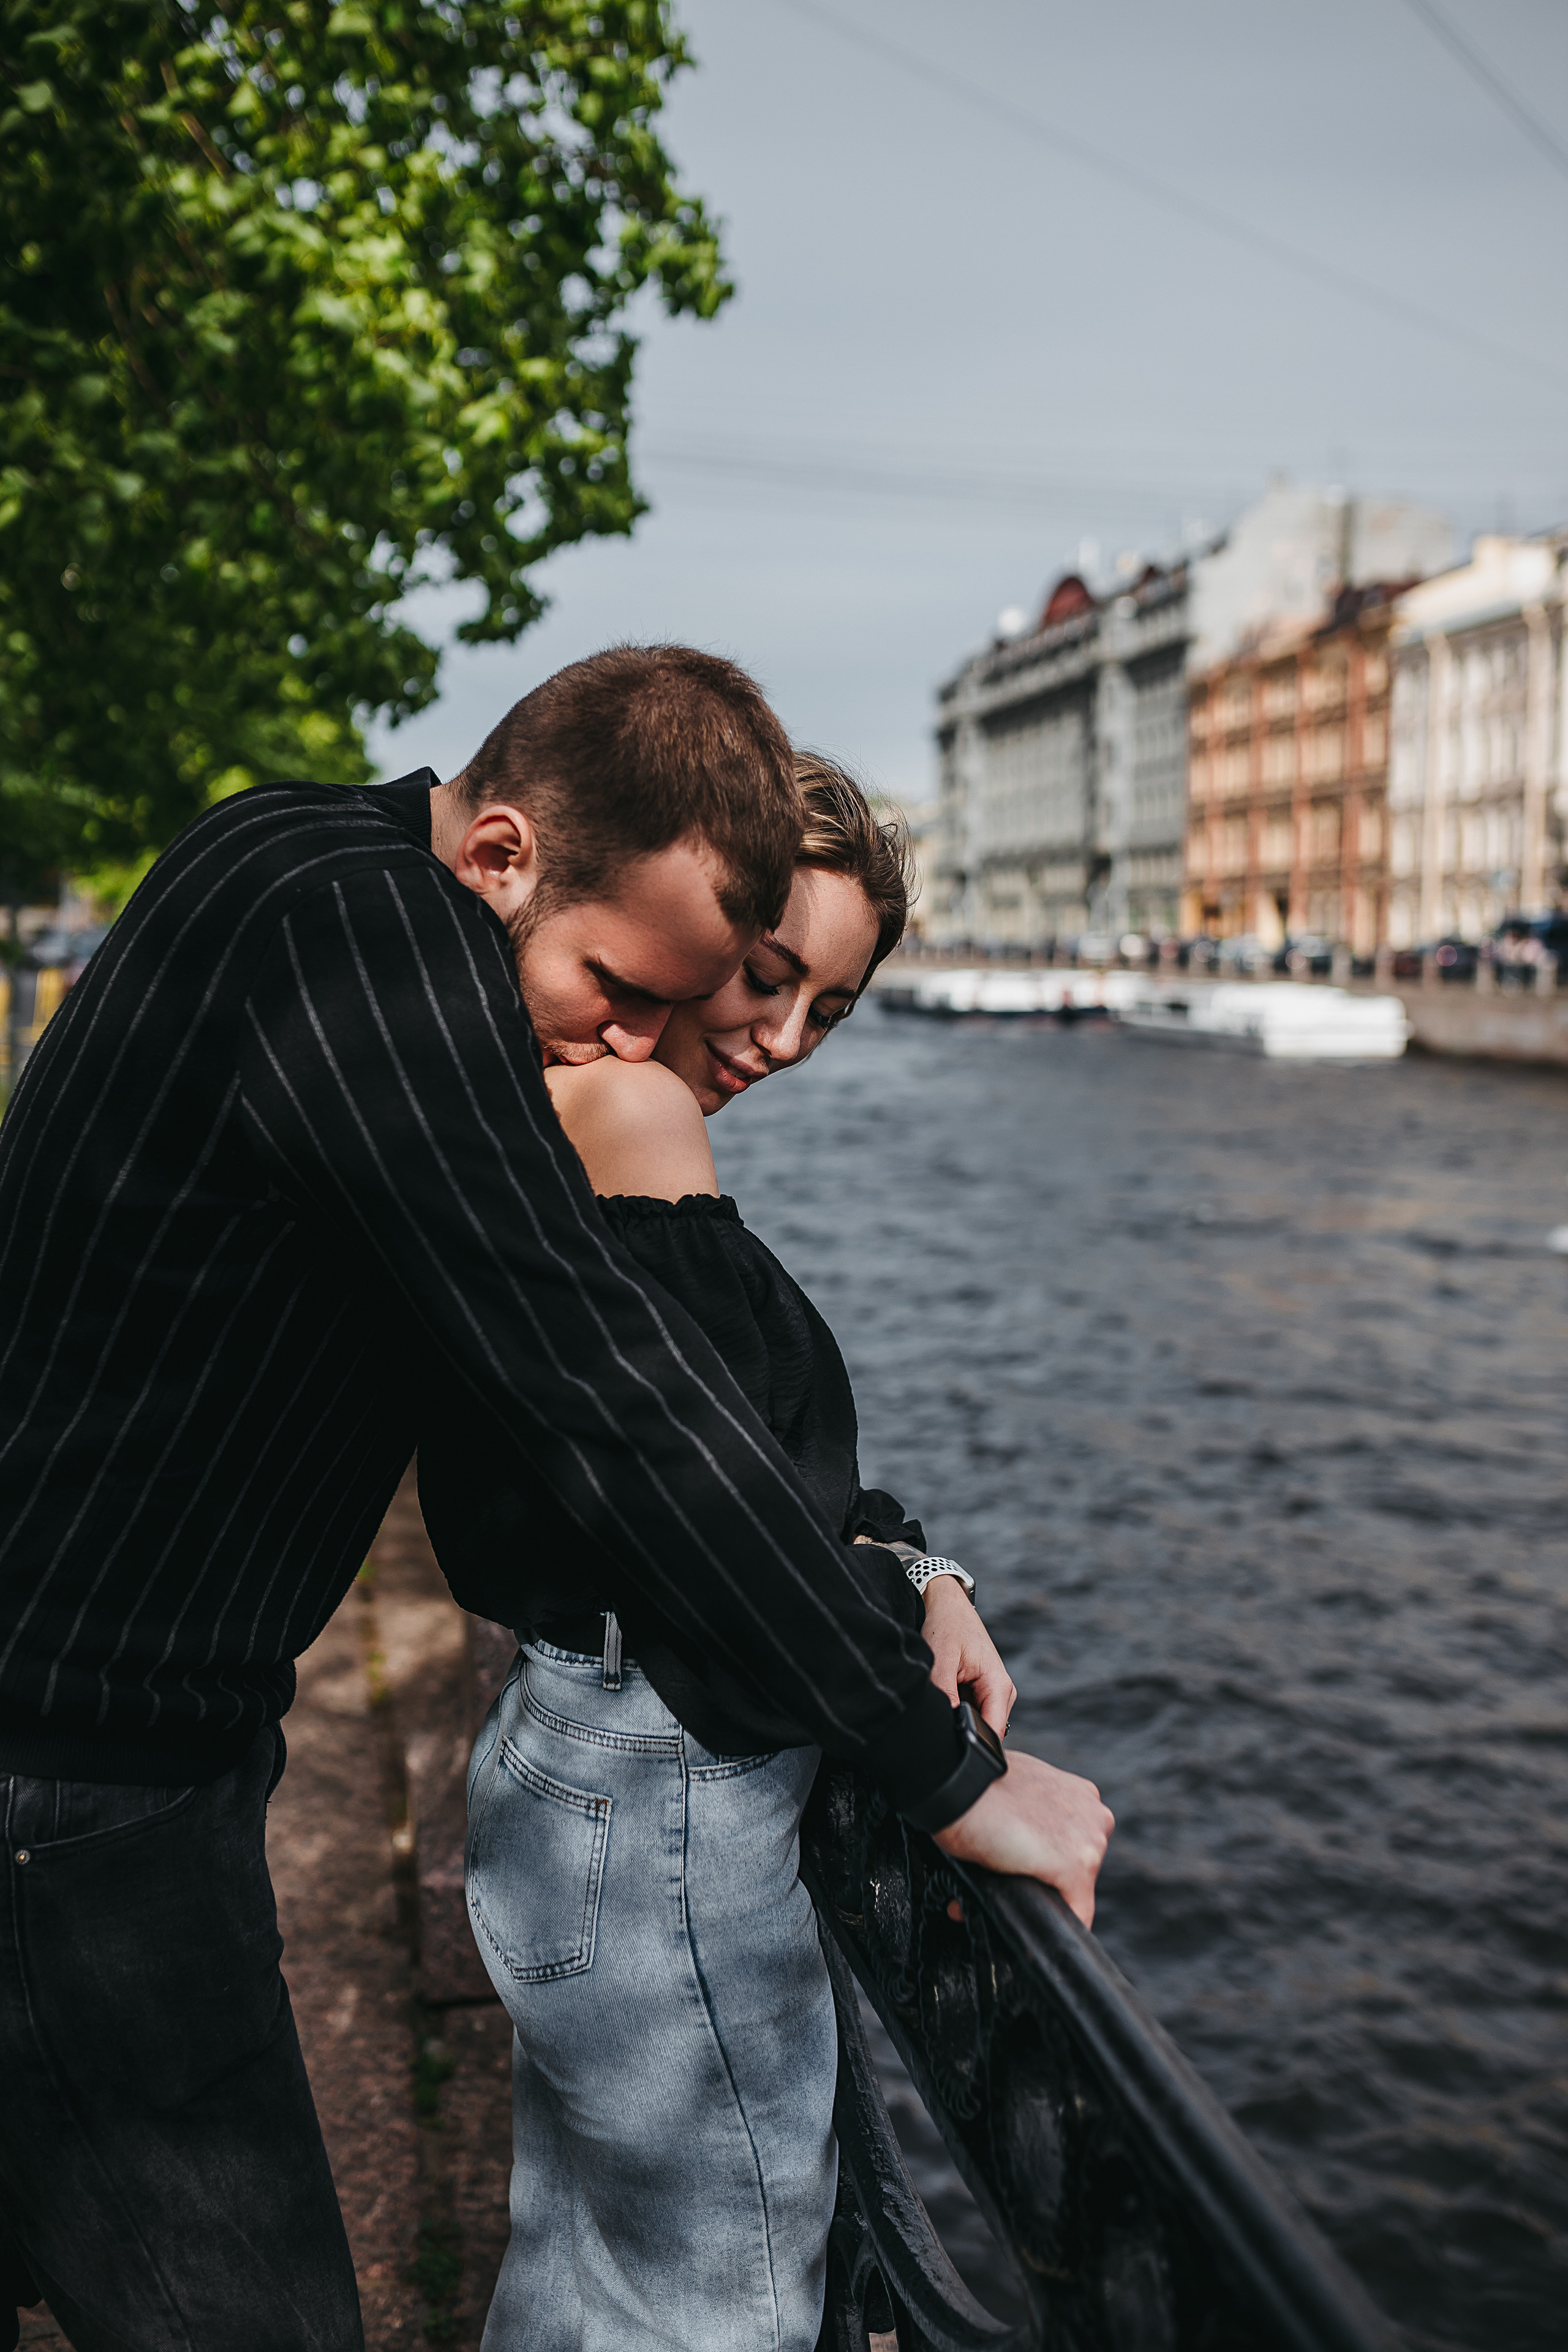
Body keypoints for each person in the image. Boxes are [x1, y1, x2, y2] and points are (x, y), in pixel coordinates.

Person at [0, 646, 1109, 2352]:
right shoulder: (367, 950)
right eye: (625, 982)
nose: (638, 1040)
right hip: (76, 1785)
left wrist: (898, 1558)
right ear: (503, 855)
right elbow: (604, 1385)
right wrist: (944, 1772)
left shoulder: (287, 852)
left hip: (117, 1752)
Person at [420, 758, 1112, 2352]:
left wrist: (918, 1573)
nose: (786, 1041)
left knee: (584, 2276)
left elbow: (727, 1465)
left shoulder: (529, 1107)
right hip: (668, 1790)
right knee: (715, 2303)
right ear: (689, 911)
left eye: (832, 1010)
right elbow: (709, 1512)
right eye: (767, 974)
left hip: (568, 1765)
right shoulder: (632, 1112)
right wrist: (955, 1767)